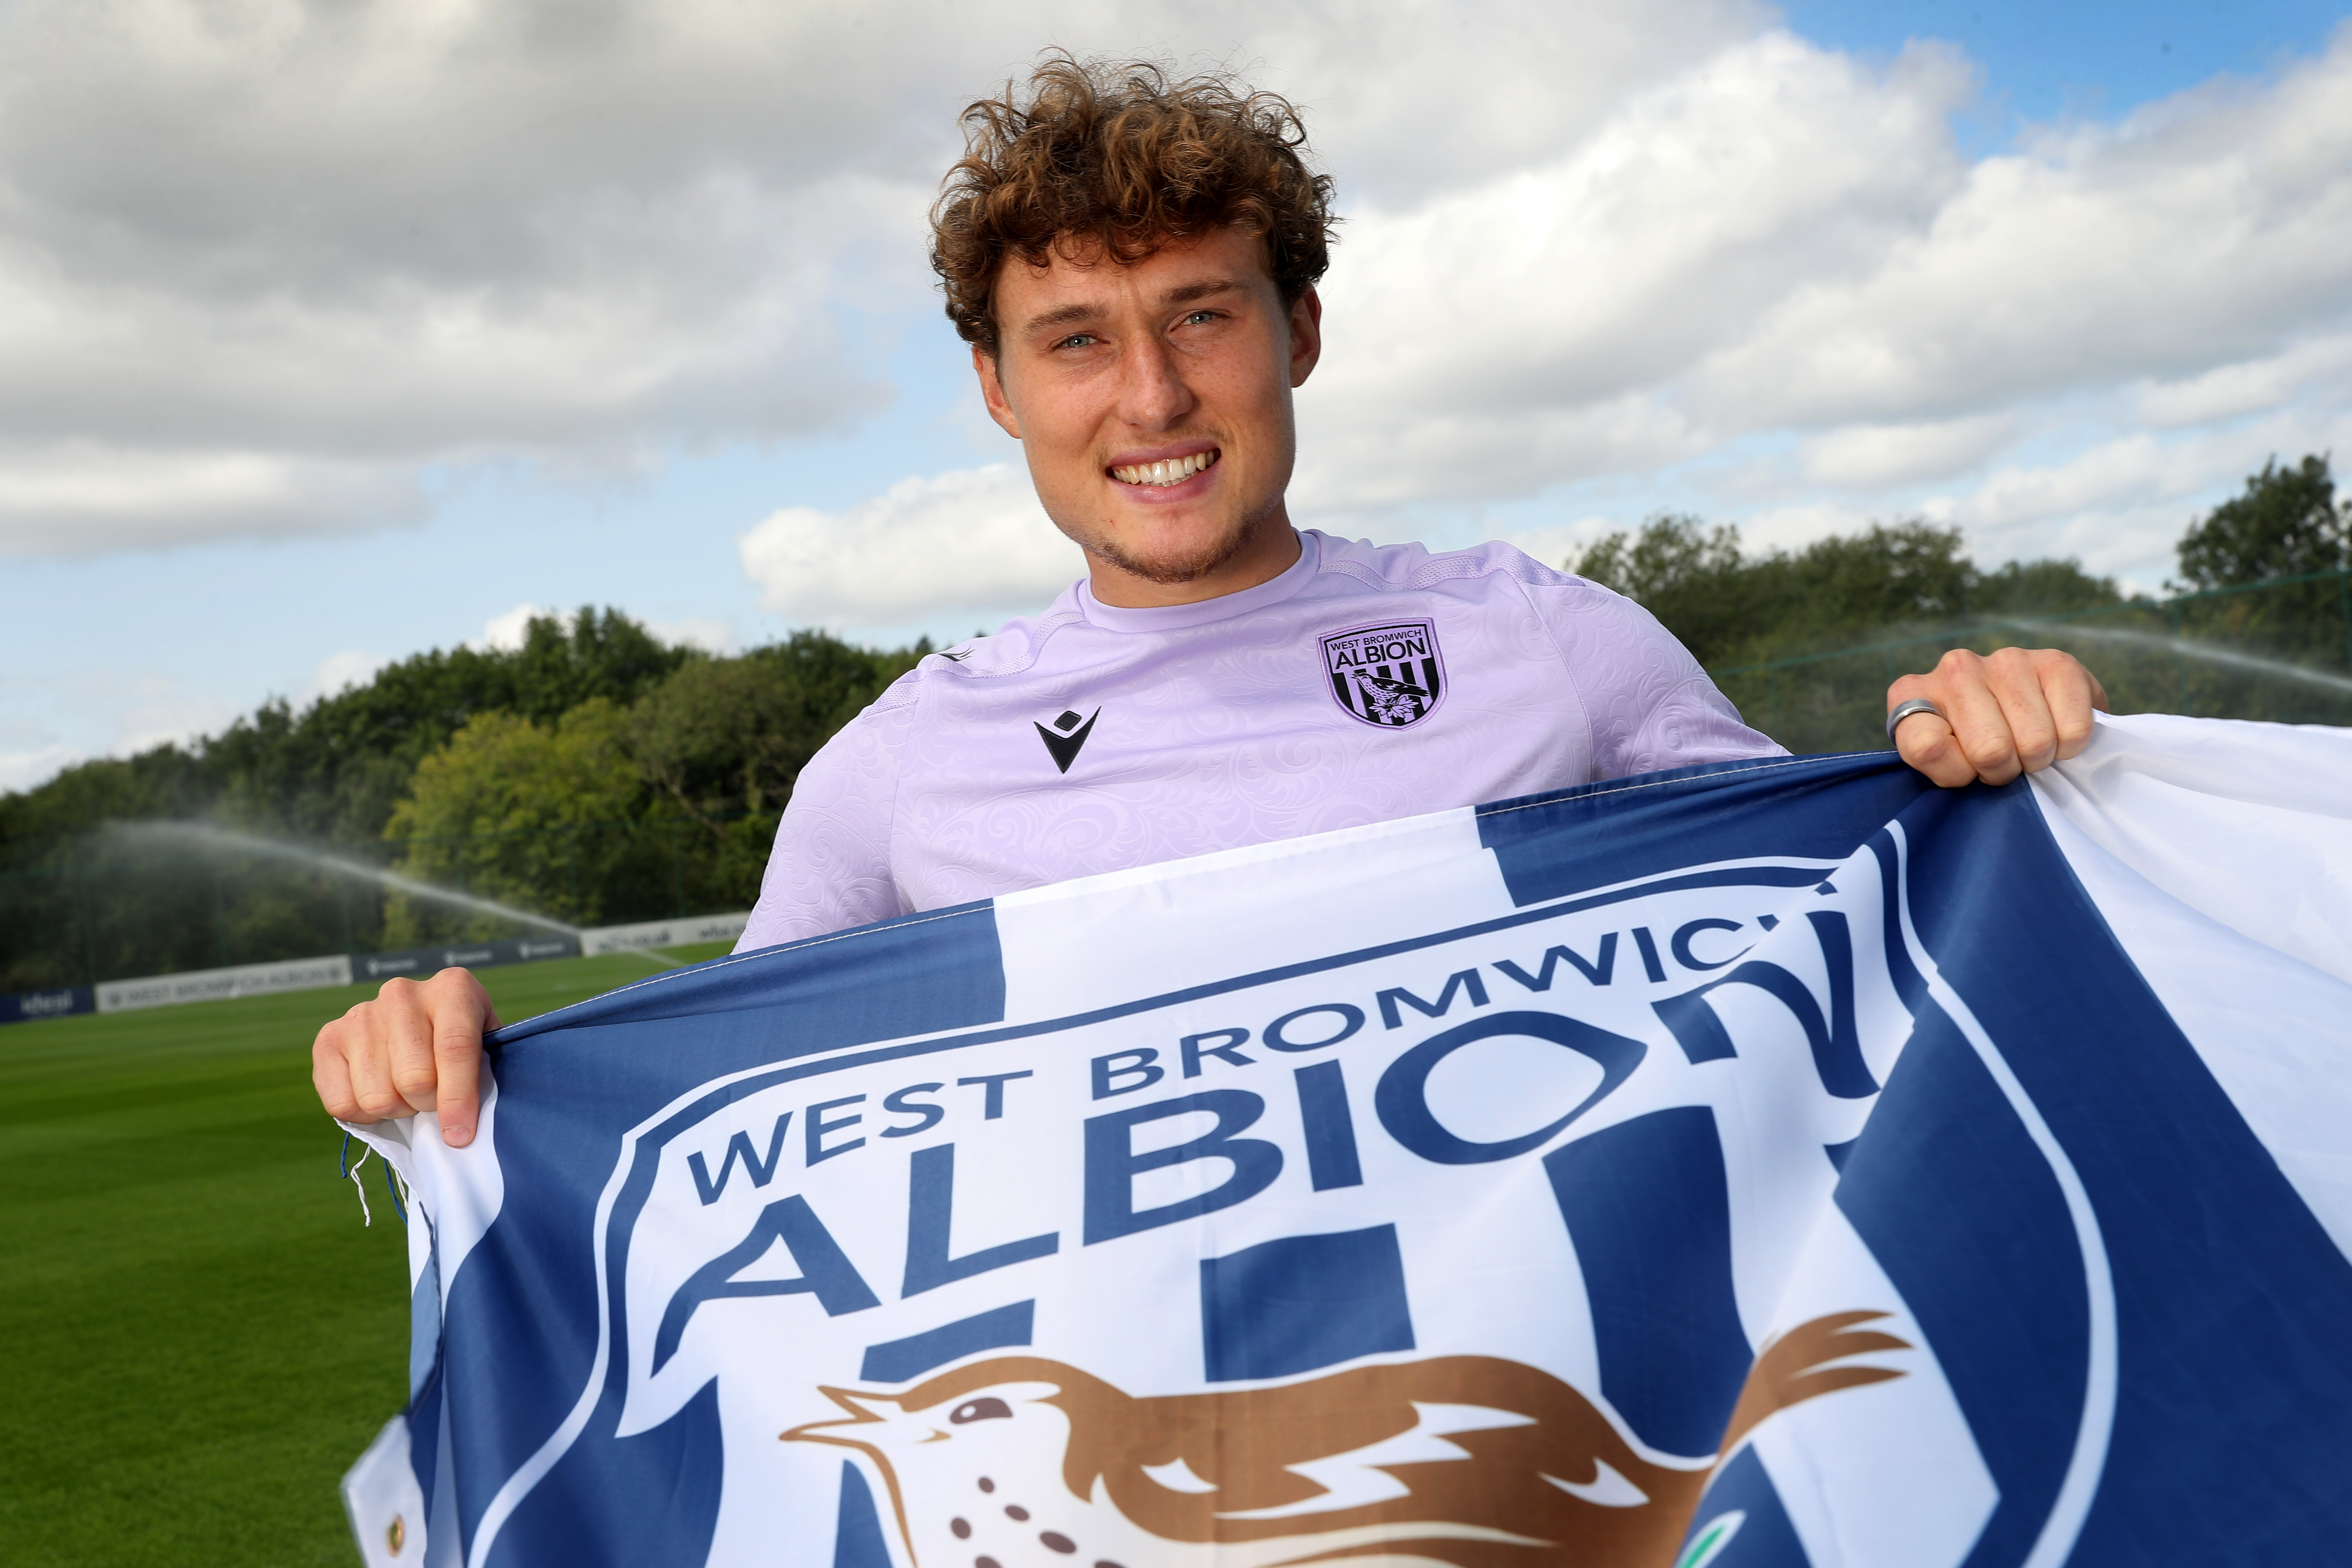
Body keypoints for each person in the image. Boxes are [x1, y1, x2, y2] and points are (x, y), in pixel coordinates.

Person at [313, 57, 2107, 1147]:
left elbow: (1832, 924)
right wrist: (462, 1068)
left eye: (1203, 315)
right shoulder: (897, 772)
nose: (1153, 399)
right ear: (1001, 394)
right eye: (1076, 341)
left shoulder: (1545, 638)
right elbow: (717, 1121)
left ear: (1300, 333)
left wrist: (1980, 757)